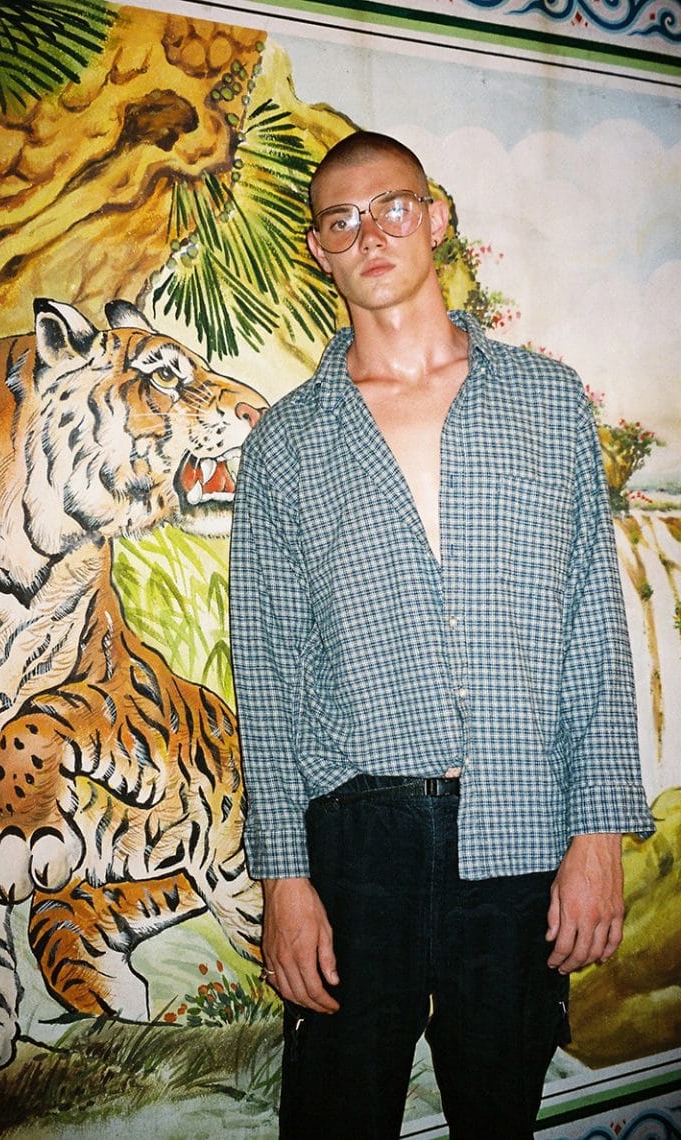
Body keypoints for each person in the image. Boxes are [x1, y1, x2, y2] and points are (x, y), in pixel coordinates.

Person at [228, 131, 654, 1140]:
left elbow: (593, 626)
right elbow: (267, 670)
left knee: (498, 1115)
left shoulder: (545, 402)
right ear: (318, 249)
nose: (369, 234)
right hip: (356, 842)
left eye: (391, 207)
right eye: (341, 220)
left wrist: (596, 836)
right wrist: (285, 879)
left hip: (519, 823)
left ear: (435, 218)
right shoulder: (286, 443)